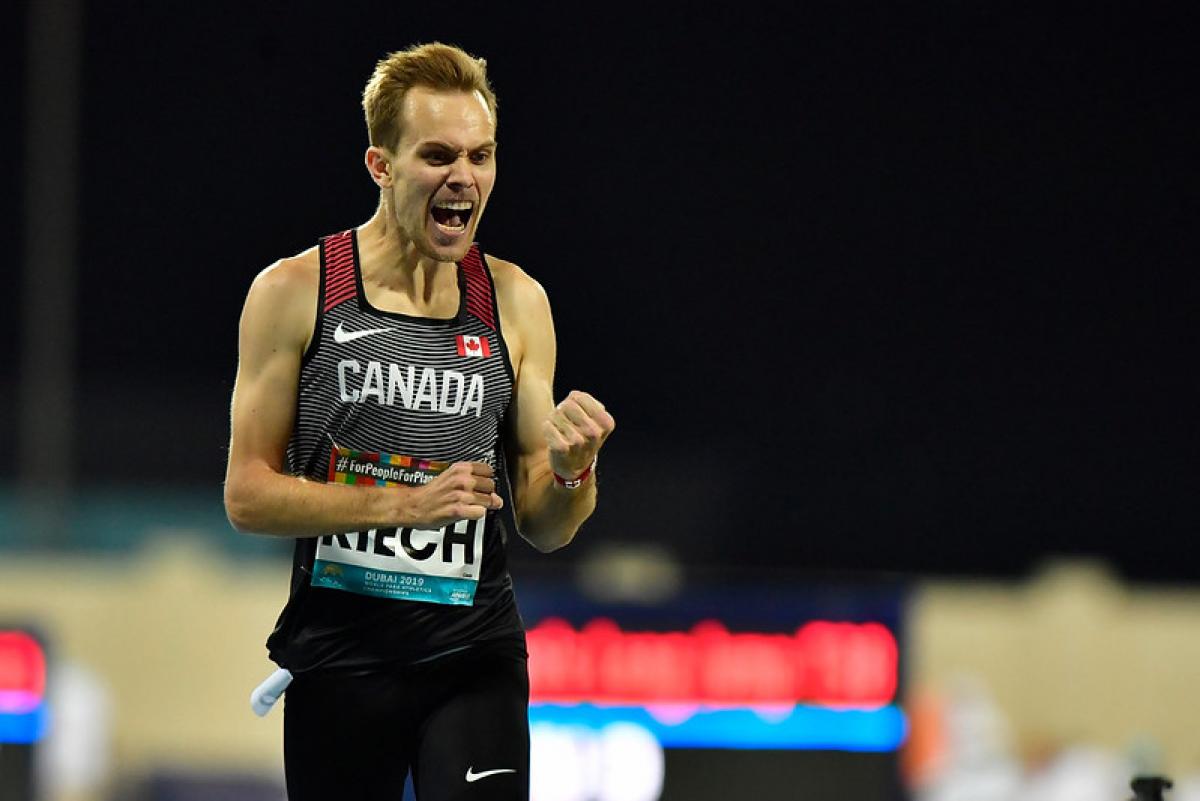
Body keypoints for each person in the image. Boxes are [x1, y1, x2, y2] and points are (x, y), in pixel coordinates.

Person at [223, 42, 615, 801]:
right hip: (340, 659)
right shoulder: (296, 292)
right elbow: (247, 495)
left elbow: (546, 519)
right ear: (381, 165)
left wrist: (573, 471)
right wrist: (403, 503)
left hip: (474, 658)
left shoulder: (516, 301)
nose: (463, 177)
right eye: (438, 155)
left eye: (482, 155)